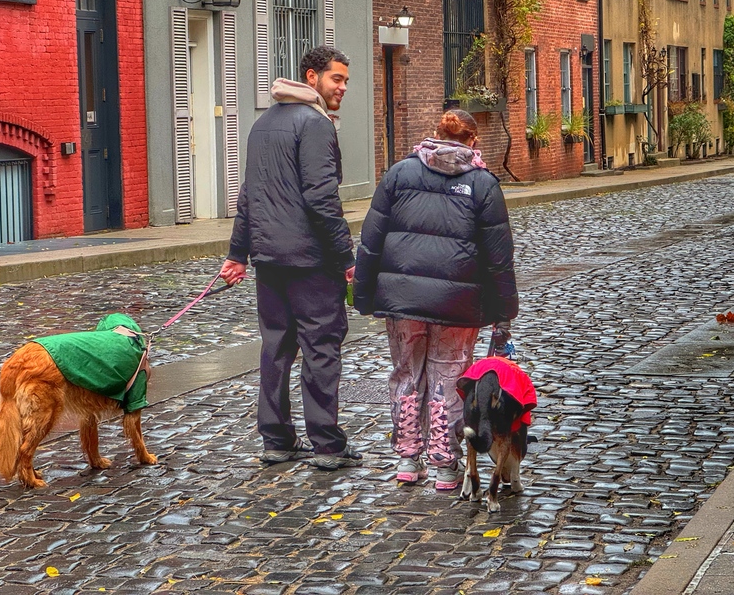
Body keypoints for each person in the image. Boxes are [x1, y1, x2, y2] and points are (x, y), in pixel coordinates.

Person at [352, 108, 518, 490]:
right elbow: (499, 256)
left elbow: (371, 239)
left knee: (406, 373)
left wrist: (364, 293)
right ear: (473, 141)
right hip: (457, 303)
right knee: (448, 377)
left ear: (435, 134)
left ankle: (408, 459)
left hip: (402, 298)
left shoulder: (399, 173)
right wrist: (504, 310)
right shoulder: (483, 184)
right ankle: (445, 464)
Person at [220, 45, 361, 471]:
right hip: (310, 261)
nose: (342, 88)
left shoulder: (263, 124)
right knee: (321, 347)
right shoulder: (315, 124)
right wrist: (346, 257)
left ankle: (277, 440)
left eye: (346, 81)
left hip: (270, 260)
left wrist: (238, 253)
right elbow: (321, 198)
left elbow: (249, 194)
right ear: (311, 76)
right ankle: (327, 445)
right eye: (337, 79)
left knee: (275, 348)